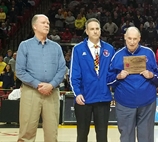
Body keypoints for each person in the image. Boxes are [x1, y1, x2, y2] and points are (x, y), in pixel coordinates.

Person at [16, 14, 66, 142]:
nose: (47, 25)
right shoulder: (25, 45)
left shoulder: (56, 47)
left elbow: (62, 69)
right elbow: (20, 71)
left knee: (52, 133)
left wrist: (51, 85)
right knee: (26, 132)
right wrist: (38, 84)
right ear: (34, 26)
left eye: (48, 23)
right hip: (31, 92)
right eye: (43, 22)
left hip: (52, 92)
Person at [107, 27, 158, 142]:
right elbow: (108, 79)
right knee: (126, 138)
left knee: (146, 138)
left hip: (147, 103)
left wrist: (151, 75)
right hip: (124, 104)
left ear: (139, 39)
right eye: (129, 39)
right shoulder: (117, 55)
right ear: (125, 38)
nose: (132, 42)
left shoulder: (149, 53)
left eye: (135, 39)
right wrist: (118, 76)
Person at [70, 18, 115, 142]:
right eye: (92, 29)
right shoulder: (78, 49)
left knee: (102, 135)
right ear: (86, 31)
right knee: (82, 134)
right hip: (84, 98)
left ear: (100, 30)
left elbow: (112, 73)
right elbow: (74, 74)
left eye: (97, 29)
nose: (95, 31)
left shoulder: (109, 49)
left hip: (103, 98)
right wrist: (77, 93)